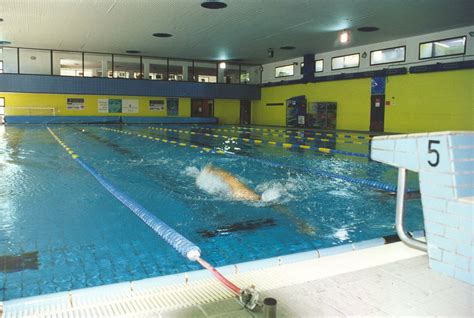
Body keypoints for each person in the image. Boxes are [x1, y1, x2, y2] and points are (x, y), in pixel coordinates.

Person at [201, 165, 316, 236]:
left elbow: (226, 177)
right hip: (254, 197)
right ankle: (300, 223)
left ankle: (301, 223)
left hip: (252, 198)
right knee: (272, 204)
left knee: (269, 203)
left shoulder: (237, 190)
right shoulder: (231, 184)